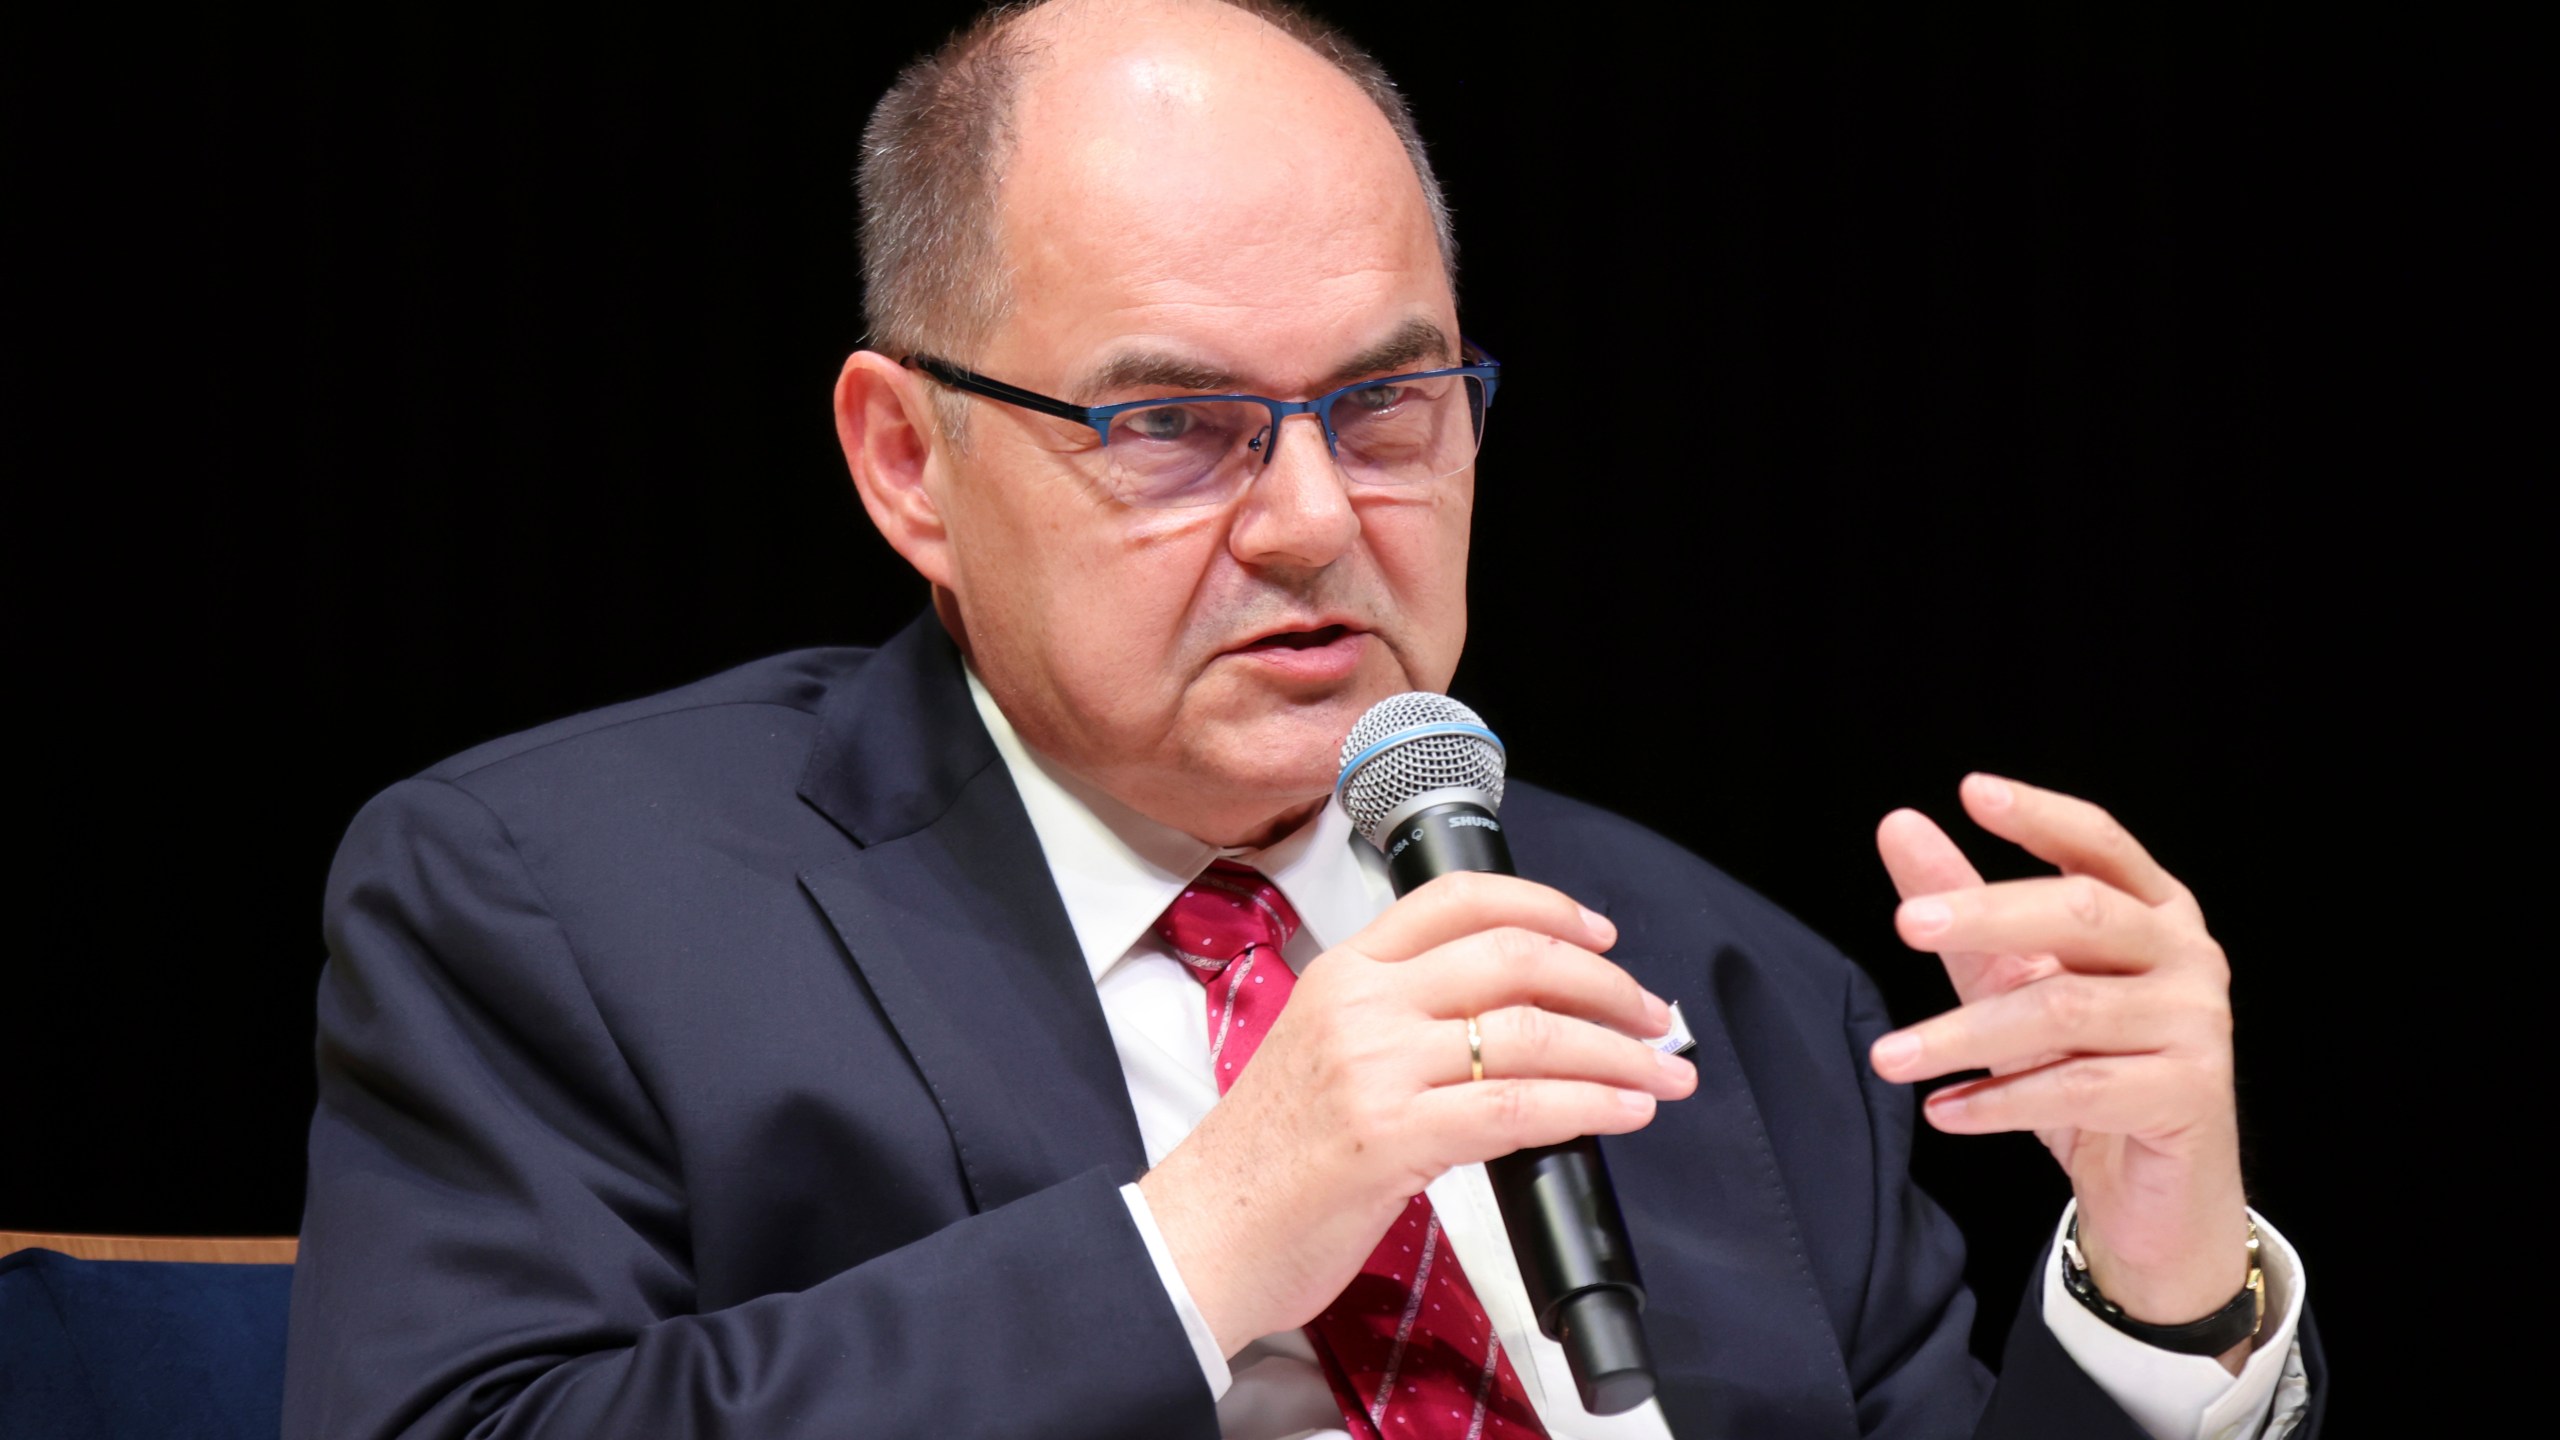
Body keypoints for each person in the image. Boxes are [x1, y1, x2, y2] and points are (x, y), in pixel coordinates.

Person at [282, 2, 2323, 1436]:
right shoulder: (560, 898)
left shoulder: (1719, 976)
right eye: (1171, 427)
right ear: (907, 461)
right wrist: (1213, 1234)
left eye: (1385, 405)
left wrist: (2159, 1291)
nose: (1311, 519)